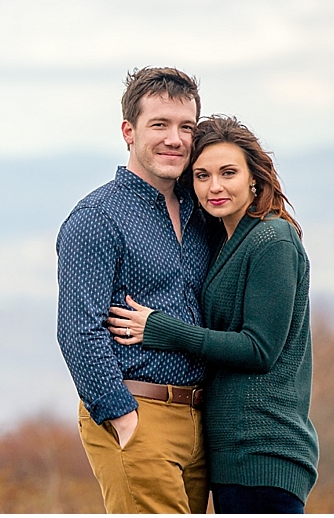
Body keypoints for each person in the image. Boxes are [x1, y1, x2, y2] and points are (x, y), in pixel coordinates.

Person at [109, 115, 319, 514]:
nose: (215, 186)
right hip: (232, 455)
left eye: (228, 173)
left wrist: (165, 330)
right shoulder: (228, 240)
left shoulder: (272, 239)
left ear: (254, 178)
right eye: (202, 175)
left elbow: (259, 349)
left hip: (264, 451)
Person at [57, 67, 211, 513]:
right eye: (159, 125)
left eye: (186, 127)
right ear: (128, 131)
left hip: (201, 421)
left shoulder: (199, 210)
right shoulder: (97, 217)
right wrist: (123, 417)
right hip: (139, 413)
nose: (175, 139)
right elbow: (78, 331)